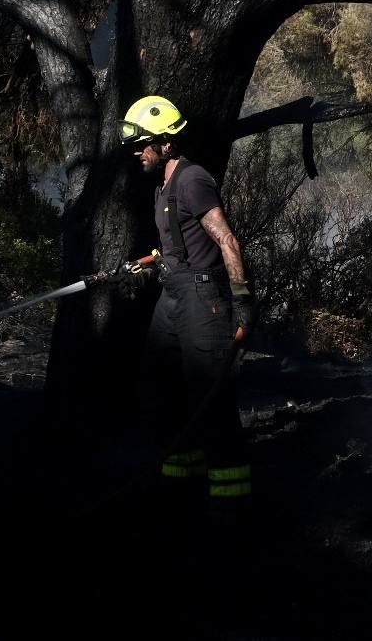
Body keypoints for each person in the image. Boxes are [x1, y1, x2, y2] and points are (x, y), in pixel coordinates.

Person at [119, 94, 256, 519]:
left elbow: (227, 241)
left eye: (143, 144)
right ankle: (181, 483)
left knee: (210, 400)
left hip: (203, 300)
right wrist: (150, 261)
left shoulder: (193, 180)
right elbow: (177, 243)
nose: (137, 152)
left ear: (167, 143)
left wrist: (244, 305)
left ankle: (230, 504)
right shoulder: (163, 186)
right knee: (159, 387)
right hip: (173, 296)